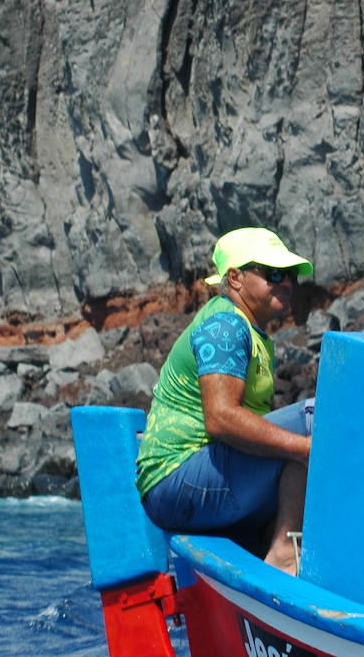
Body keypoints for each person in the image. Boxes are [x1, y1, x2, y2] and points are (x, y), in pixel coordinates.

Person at [135, 227, 315, 572]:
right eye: (273, 274)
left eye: (290, 275)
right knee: (315, 417)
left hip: (195, 479)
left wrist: (296, 448)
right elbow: (220, 418)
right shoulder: (227, 327)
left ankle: (282, 543)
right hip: (175, 480)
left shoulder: (252, 331)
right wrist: (302, 447)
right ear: (235, 278)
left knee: (297, 442)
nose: (286, 282)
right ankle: (283, 553)